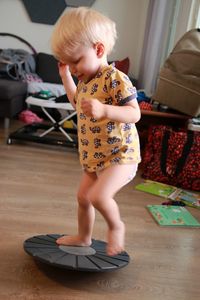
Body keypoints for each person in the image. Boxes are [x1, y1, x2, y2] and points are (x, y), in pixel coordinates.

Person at [51, 7, 141, 256]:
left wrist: (105, 111)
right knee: (83, 197)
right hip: (94, 156)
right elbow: (75, 101)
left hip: (120, 154)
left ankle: (116, 226)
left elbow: (135, 114)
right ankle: (84, 237)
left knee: (99, 197)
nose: (74, 68)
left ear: (99, 50)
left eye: (76, 61)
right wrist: (65, 75)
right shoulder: (85, 82)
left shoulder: (115, 78)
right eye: (70, 64)